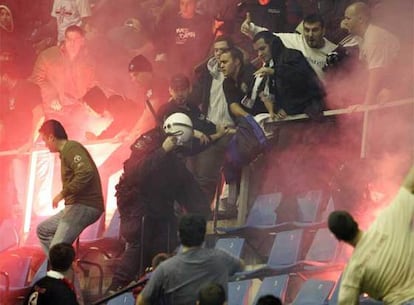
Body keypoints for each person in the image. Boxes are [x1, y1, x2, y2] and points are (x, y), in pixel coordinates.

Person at [107, 128, 210, 293]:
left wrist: (202, 215)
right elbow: (135, 172)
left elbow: (189, 190)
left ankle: (151, 285)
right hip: (135, 206)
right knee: (138, 241)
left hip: (160, 211)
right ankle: (115, 288)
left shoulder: (175, 164)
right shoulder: (149, 142)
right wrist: (162, 151)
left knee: (166, 241)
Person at [328, 166, 414, 304]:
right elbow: (410, 182)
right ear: (355, 222)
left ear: (338, 238)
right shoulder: (389, 219)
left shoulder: (352, 273)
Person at [137, 214, 243, 305]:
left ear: (179, 235)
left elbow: (142, 301)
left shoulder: (165, 269)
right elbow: (241, 266)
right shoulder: (222, 258)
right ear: (204, 234)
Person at [36, 119, 104, 254]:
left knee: (57, 249)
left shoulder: (71, 148)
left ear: (51, 137)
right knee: (43, 230)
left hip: (83, 205)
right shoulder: (66, 152)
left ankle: (60, 267)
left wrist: (63, 193)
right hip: (75, 206)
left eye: (45, 140)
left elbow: (86, 171)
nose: (45, 145)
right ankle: (62, 265)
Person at [189, 35, 237, 216]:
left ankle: (229, 210)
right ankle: (200, 217)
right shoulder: (207, 75)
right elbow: (196, 101)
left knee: (232, 174)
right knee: (204, 177)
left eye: (223, 50)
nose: (219, 54)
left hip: (232, 130)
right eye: (216, 50)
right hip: (212, 131)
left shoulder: (238, 72)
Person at [30, 25, 96, 138]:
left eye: (76, 40)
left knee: (75, 144)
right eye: (69, 39)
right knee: (55, 143)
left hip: (77, 112)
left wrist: (88, 103)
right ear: (64, 39)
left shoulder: (88, 61)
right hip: (54, 111)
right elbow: (37, 78)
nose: (72, 43)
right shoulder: (48, 56)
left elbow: (93, 83)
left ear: (82, 41)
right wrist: (52, 96)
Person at [241, 12, 337, 81]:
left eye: (315, 30)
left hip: (325, 99)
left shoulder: (333, 51)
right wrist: (251, 28)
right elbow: (270, 36)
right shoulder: (296, 40)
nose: (310, 34)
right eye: (307, 30)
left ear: (323, 31)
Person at [340, 1, 400, 105]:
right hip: (391, 83)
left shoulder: (373, 39)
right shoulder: (361, 36)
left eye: (348, 18)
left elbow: (375, 75)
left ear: (360, 19)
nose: (344, 22)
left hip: (401, 82)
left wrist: (366, 105)